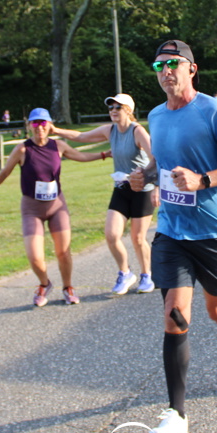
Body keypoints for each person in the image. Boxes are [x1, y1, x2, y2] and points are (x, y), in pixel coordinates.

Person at [129, 39, 217, 433]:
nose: (166, 71)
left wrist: (204, 180)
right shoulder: (155, 116)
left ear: (192, 69)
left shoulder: (212, 110)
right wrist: (146, 176)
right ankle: (176, 415)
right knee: (175, 314)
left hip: (215, 231)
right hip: (172, 231)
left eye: (173, 64)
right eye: (159, 66)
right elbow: (161, 165)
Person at [0, 108, 110, 307]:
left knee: (63, 251)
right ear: (29, 126)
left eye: (43, 123)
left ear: (50, 125)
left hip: (57, 206)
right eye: (35, 123)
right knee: (34, 256)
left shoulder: (58, 146)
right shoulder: (22, 149)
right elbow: (5, 171)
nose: (39, 127)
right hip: (32, 208)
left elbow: (80, 156)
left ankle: (68, 287)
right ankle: (44, 284)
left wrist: (103, 154)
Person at [53, 93, 159, 296]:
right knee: (111, 235)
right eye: (111, 108)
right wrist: (56, 130)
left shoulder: (137, 131)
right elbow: (80, 137)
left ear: (128, 110)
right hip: (121, 189)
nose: (113, 111)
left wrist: (156, 185)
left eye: (118, 107)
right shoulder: (109, 130)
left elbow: (155, 157)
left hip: (142, 190)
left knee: (138, 238)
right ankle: (125, 273)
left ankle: (147, 275)